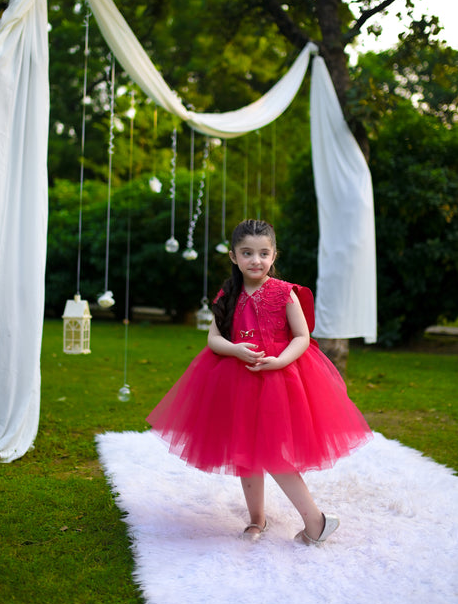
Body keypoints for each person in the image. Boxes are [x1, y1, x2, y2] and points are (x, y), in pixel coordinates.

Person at [146, 219, 372, 545]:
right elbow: (213, 339)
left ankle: (316, 521)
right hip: (237, 381)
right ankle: (257, 520)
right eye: (247, 253)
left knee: (272, 453)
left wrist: (280, 360)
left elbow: (302, 336)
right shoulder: (228, 294)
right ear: (234, 257)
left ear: (274, 255)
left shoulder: (284, 293)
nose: (256, 260)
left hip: (279, 381)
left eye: (263, 253)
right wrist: (235, 349)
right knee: (246, 451)